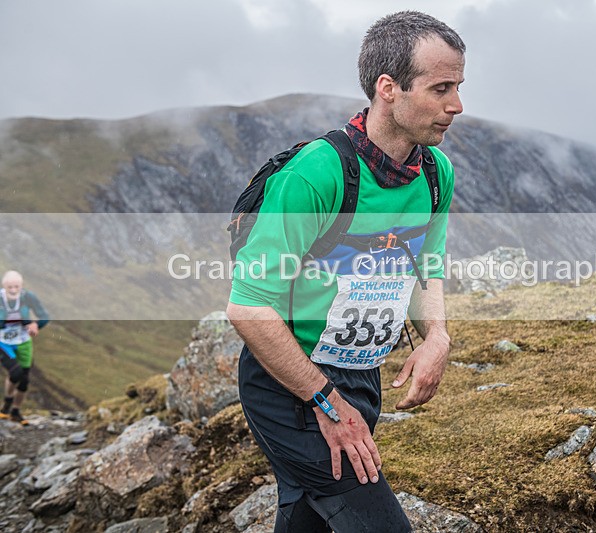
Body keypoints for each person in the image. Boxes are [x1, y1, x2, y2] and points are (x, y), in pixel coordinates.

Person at [227, 10, 464, 532]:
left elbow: (427, 265)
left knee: (307, 520)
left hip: (361, 379)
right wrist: (326, 402)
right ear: (389, 88)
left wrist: (437, 336)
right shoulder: (317, 173)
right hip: (290, 387)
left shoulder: (435, 173)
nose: (457, 105)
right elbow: (247, 306)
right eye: (441, 88)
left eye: (458, 87)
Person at [0, 270, 50, 426]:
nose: (13, 290)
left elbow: (44, 316)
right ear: (4, 286)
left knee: (24, 380)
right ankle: (7, 403)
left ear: (21, 286)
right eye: (10, 287)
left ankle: (15, 411)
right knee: (15, 372)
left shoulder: (28, 297)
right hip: (3, 342)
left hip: (23, 341)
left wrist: (36, 325)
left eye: (16, 286)